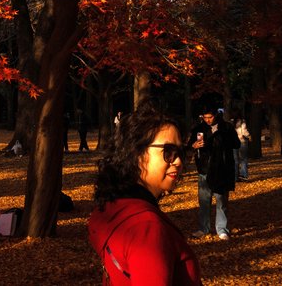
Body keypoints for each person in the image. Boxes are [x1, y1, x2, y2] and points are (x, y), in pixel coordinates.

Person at [88, 103, 201, 285]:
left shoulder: (113, 208)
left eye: (180, 152)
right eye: (168, 152)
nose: (179, 161)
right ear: (136, 154)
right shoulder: (146, 227)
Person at [188, 108, 240, 240]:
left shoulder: (226, 127)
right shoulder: (199, 128)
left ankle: (222, 229)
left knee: (221, 201)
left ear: (216, 115)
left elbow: (236, 144)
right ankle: (203, 228)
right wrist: (194, 145)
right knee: (204, 201)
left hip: (221, 169)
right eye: (205, 117)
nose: (207, 120)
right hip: (204, 169)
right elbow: (189, 146)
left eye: (210, 117)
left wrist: (222, 139)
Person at [232, 113, 251, 182]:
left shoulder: (230, 122)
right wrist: (249, 136)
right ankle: (244, 175)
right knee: (243, 159)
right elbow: (244, 132)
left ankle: (235, 177)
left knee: (235, 160)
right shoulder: (242, 121)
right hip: (242, 141)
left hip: (233, 142)